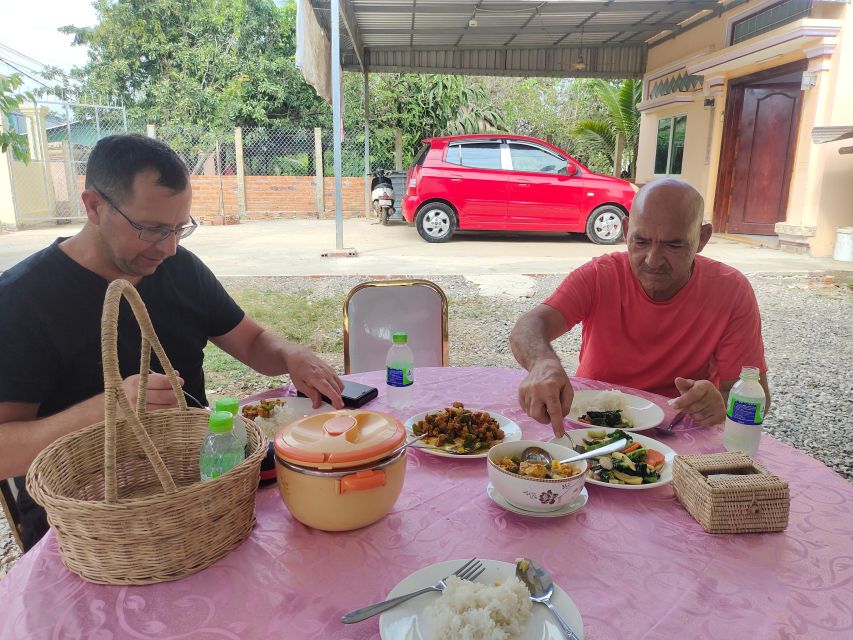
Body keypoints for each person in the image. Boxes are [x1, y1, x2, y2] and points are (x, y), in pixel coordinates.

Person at [0, 134, 344, 550]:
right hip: (89, 526)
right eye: (151, 229)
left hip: (197, 488)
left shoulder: (178, 268)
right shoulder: (22, 300)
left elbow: (252, 343)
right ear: (93, 206)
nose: (169, 247)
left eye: (180, 228)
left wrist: (291, 353)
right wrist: (107, 410)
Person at [510, 178, 770, 438]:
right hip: (591, 425)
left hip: (678, 431)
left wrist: (721, 405)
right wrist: (542, 363)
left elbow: (755, 395)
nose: (653, 260)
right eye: (641, 241)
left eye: (673, 245)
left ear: (702, 239)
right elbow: (529, 326)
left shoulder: (730, 290)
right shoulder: (600, 275)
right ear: (625, 230)